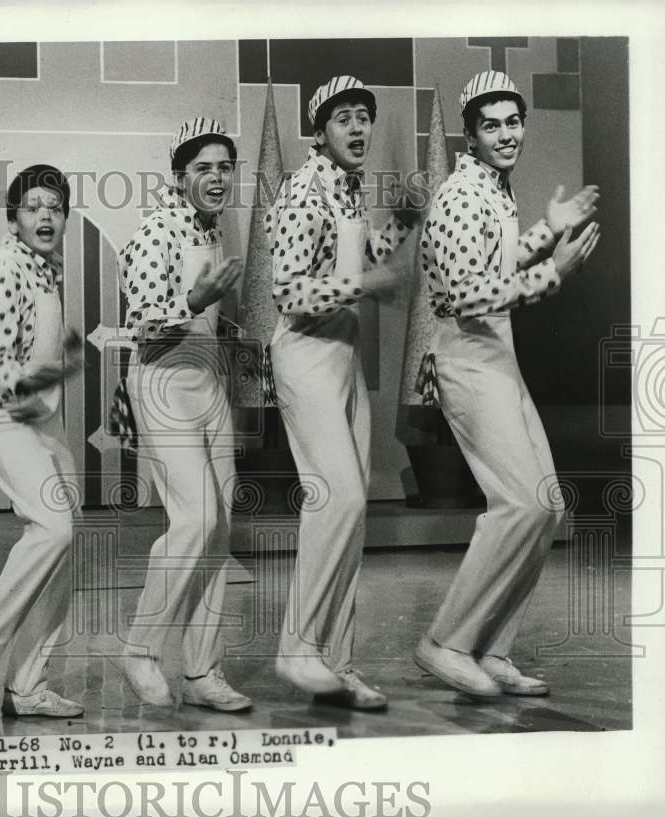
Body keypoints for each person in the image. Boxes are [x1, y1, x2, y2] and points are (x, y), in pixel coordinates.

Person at [414, 71, 600, 697]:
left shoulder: (492, 190)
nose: (506, 134)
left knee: (545, 505)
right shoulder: (461, 195)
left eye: (513, 122)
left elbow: (495, 259)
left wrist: (547, 230)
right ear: (470, 134)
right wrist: (554, 271)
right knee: (519, 503)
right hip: (467, 358)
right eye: (490, 125)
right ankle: (443, 642)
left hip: (496, 354)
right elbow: (468, 297)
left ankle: (491, 647)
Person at [264, 75, 418, 709]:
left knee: (352, 515)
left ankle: (337, 662)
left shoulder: (349, 190)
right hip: (304, 355)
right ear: (319, 130)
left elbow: (354, 261)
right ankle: (297, 647)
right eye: (343, 118)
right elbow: (289, 291)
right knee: (340, 500)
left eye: (364, 117)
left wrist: (399, 227)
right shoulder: (303, 191)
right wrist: (366, 282)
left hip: (343, 357)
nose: (358, 128)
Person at [117, 117, 250, 712]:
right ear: (179, 175)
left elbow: (208, 319)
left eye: (225, 166)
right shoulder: (155, 231)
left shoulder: (212, 230)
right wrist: (195, 300)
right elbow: (142, 323)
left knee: (219, 530)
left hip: (208, 381)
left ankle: (202, 672)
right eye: (203, 167)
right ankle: (141, 648)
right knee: (194, 520)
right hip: (163, 380)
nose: (217, 177)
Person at [0, 165, 84, 717]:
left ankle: (28, 685)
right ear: (14, 218)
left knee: (69, 539)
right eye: (33, 207)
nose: (46, 216)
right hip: (6, 419)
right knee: (53, 526)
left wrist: (53, 376)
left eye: (55, 207)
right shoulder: (4, 272)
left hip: (43, 420)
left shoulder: (46, 266)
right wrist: (52, 374)